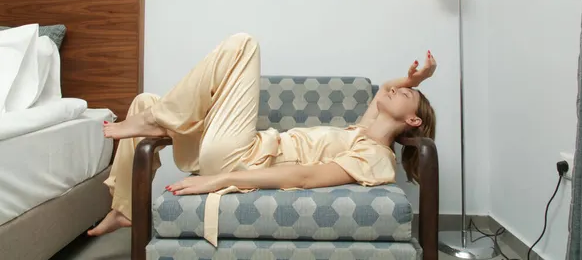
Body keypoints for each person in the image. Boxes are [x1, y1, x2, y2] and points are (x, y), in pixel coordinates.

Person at [88, 33, 437, 246]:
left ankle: (156, 120)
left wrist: (221, 179)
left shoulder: (375, 157)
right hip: (235, 148)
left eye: (405, 93)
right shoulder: (360, 132)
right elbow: (383, 93)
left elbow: (302, 178)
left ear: (413, 119)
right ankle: (124, 210)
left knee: (243, 44)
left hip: (243, 158)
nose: (394, 88)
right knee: (145, 100)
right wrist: (416, 80)